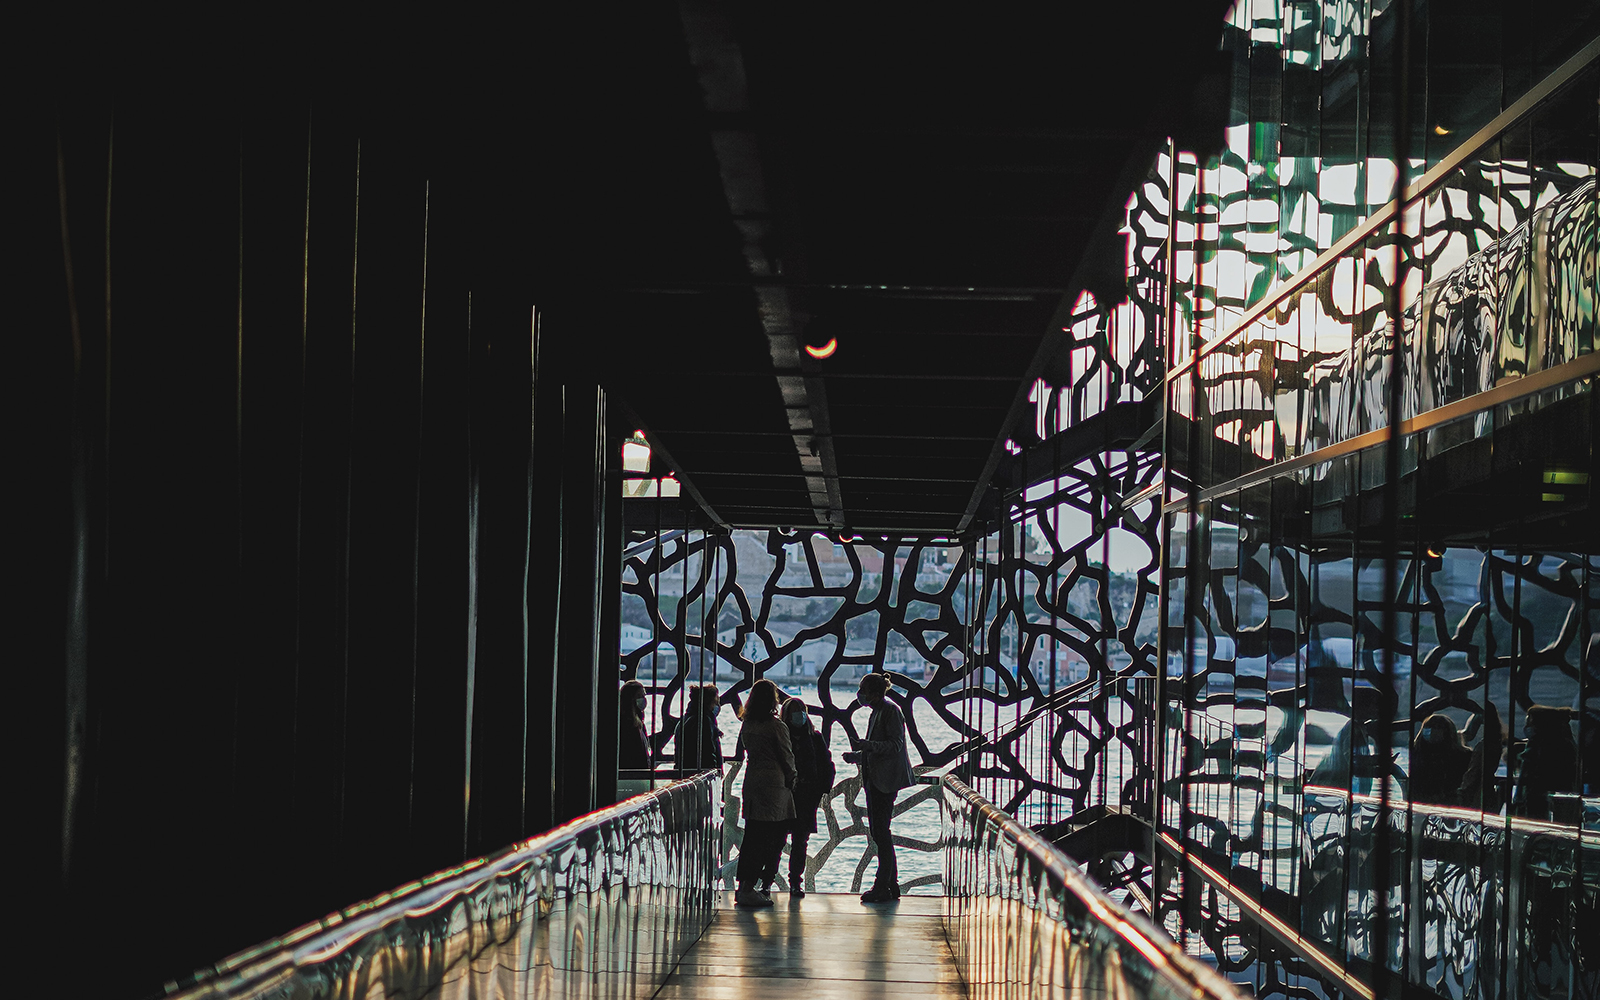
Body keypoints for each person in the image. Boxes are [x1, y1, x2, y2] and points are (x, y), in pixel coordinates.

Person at [844, 672, 913, 903]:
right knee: (881, 833)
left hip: (884, 782)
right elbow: (878, 748)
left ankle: (883, 885)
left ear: (874, 692)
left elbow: (895, 745)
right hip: (876, 781)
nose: (861, 694)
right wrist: (857, 755)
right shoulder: (878, 712)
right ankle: (890, 884)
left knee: (881, 834)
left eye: (863, 689)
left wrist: (866, 746)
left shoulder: (890, 711)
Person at [735, 679, 795, 908]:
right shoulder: (776, 726)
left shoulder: (747, 724)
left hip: (752, 782)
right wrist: (793, 778)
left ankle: (744, 887)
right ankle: (754, 887)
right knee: (770, 837)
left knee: (752, 837)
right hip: (774, 786)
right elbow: (787, 757)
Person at [770, 696, 835, 897]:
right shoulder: (781, 736)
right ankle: (767, 880)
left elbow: (826, 766)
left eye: (802, 710)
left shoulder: (814, 737)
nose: (800, 715)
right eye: (796, 711)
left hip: (807, 798)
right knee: (777, 841)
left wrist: (820, 790)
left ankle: (795, 882)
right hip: (784, 796)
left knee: (800, 842)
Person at [1409, 713, 1471, 805]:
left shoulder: (1463, 755)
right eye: (1430, 727)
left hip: (1452, 805)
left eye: (1438, 727)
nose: (1432, 731)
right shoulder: (1417, 753)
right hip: (1421, 805)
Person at [1458, 701, 1505, 812]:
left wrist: (1462, 792)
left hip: (1477, 796)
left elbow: (1474, 772)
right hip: (1488, 793)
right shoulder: (1495, 742)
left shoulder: (1483, 747)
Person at [674, 683, 724, 771]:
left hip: (685, 772)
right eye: (716, 700)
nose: (718, 703)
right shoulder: (704, 720)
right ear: (709, 701)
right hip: (698, 774)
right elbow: (708, 752)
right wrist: (715, 772)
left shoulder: (685, 719)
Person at [619, 679, 651, 770]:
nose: (643, 699)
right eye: (639, 696)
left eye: (643, 695)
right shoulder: (628, 723)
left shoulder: (638, 722)